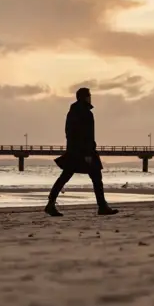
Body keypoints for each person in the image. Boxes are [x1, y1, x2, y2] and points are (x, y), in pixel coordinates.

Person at [45, 87, 118, 217]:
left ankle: (51, 203)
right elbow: (88, 135)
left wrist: (73, 148)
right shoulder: (86, 113)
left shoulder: (72, 112)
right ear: (85, 97)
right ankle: (102, 206)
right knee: (96, 177)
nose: (91, 97)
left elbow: (69, 132)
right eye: (89, 95)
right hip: (84, 151)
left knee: (66, 176)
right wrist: (88, 153)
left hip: (73, 150)